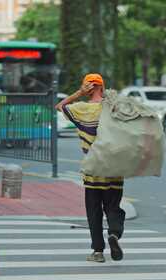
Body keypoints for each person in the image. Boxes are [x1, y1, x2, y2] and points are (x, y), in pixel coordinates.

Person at [56, 73, 125, 263]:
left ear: (87, 88)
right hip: (114, 168)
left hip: (92, 170)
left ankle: (98, 251)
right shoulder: (114, 108)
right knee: (113, 207)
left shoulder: (81, 109)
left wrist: (78, 93)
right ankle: (114, 234)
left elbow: (59, 107)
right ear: (102, 87)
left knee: (94, 211)